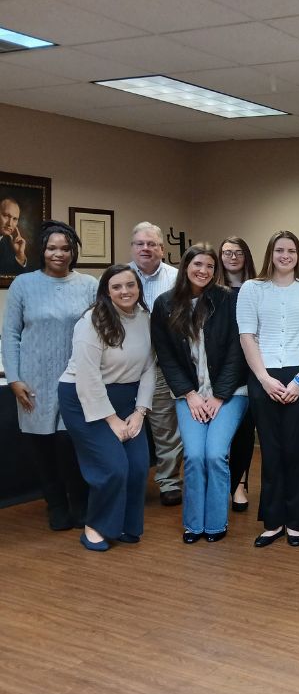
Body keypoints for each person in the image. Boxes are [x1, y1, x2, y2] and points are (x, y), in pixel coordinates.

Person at [2, 220, 97, 530]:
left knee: (71, 446)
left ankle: (79, 503)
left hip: (75, 382)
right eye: (52, 248)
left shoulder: (88, 285)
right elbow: (10, 334)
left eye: (65, 248)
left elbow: (101, 331)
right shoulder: (23, 285)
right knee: (42, 449)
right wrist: (15, 379)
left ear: (74, 252)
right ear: (41, 250)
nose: (59, 254)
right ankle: (55, 505)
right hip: (34, 382)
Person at [151, 243, 249, 544]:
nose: (203, 271)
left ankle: (216, 524)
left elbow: (237, 351)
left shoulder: (228, 300)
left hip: (231, 393)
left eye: (209, 266)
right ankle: (194, 524)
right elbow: (166, 355)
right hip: (189, 394)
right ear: (185, 267)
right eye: (197, 265)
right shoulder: (165, 303)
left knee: (215, 454)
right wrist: (190, 395)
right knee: (194, 456)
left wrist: (218, 396)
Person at [236, 230, 299, 547]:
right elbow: (247, 336)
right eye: (279, 250)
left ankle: (297, 521)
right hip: (264, 375)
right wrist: (263, 378)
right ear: (270, 254)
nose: (285, 256)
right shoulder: (252, 288)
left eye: (291, 250)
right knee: (271, 452)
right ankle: (273, 521)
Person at [57, 265, 155, 551]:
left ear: (139, 288)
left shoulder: (145, 318)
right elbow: (87, 378)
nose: (125, 291)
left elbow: (150, 367)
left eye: (130, 285)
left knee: (137, 467)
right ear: (106, 292)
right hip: (84, 398)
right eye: (117, 287)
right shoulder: (92, 320)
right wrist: (112, 420)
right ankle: (94, 526)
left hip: (127, 398)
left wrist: (140, 412)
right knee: (113, 467)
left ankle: (125, 525)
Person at [129, 221, 182, 506]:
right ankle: (128, 479)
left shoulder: (176, 278)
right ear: (133, 247)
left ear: (162, 248)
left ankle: (169, 482)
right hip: (127, 366)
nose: (146, 248)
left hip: (163, 363)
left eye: (152, 244)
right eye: (140, 244)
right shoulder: (122, 277)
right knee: (127, 422)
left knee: (165, 426)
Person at [219, 236, 256, 512]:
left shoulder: (257, 287)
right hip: (218, 367)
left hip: (251, 365)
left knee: (245, 428)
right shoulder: (211, 288)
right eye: (227, 252)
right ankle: (221, 484)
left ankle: (240, 484)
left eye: (238, 252)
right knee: (222, 432)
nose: (232, 257)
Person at [1, 196, 28, 276]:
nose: (10, 223)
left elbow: (20, 280)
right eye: (6, 216)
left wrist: (20, 255)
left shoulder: (10, 245)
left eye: (15, 219)